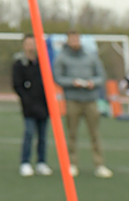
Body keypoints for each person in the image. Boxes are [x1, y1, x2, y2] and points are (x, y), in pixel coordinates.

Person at [53, 31, 112, 178]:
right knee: (72, 134)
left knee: (95, 134)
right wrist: (73, 82)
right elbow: (58, 78)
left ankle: (99, 165)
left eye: (76, 39)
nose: (75, 41)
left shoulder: (91, 56)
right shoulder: (62, 58)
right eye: (72, 39)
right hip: (73, 100)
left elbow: (101, 76)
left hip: (91, 100)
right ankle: (72, 164)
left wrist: (93, 83)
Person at [12, 34, 52, 177]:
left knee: (43, 136)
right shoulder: (19, 64)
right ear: (24, 45)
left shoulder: (44, 63)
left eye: (33, 43)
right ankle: (25, 162)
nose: (31, 46)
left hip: (44, 106)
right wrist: (27, 100)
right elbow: (17, 86)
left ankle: (41, 162)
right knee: (29, 134)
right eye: (28, 43)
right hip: (29, 106)